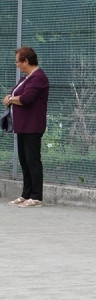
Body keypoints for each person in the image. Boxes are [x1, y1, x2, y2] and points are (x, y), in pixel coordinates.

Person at [3, 46, 50, 208]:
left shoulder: (39, 77)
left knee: (32, 161)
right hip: (22, 126)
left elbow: (26, 98)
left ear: (26, 61)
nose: (16, 64)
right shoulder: (25, 78)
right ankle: (26, 194)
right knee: (24, 161)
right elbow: (15, 95)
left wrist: (11, 99)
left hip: (33, 126)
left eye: (18, 61)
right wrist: (11, 97)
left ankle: (36, 196)